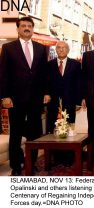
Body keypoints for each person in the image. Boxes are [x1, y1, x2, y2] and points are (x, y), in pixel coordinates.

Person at [0, 16, 51, 176]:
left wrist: (47, 92)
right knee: (15, 133)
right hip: (15, 99)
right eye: (23, 25)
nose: (27, 28)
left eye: (30, 25)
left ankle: (31, 163)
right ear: (18, 29)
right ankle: (16, 165)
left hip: (36, 99)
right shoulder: (8, 48)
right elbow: (3, 74)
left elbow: (44, 74)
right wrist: (5, 96)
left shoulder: (41, 48)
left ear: (33, 28)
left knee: (34, 133)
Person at [47, 41, 81, 166]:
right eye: (58, 48)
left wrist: (78, 101)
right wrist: (46, 94)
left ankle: (68, 157)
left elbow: (78, 84)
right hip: (53, 103)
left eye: (63, 48)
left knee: (68, 130)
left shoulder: (76, 65)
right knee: (54, 129)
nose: (61, 50)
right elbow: (46, 82)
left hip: (70, 102)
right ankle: (55, 158)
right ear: (56, 50)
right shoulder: (49, 65)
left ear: (68, 50)